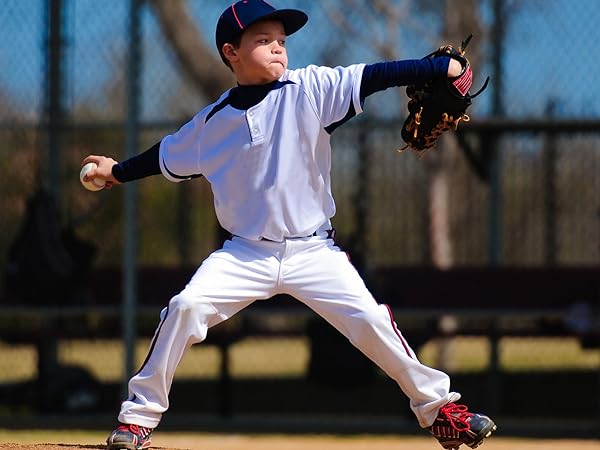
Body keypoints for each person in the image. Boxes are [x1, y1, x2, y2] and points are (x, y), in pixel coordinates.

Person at [84, 1, 496, 449]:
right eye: (263, 41)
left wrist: (433, 67)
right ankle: (137, 418)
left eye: (282, 40)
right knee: (185, 307)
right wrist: (117, 171)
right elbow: (162, 157)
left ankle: (440, 412)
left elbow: (374, 75)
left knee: (373, 322)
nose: (278, 48)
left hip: (314, 252)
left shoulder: (310, 89)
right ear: (231, 52)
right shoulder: (210, 125)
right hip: (245, 254)